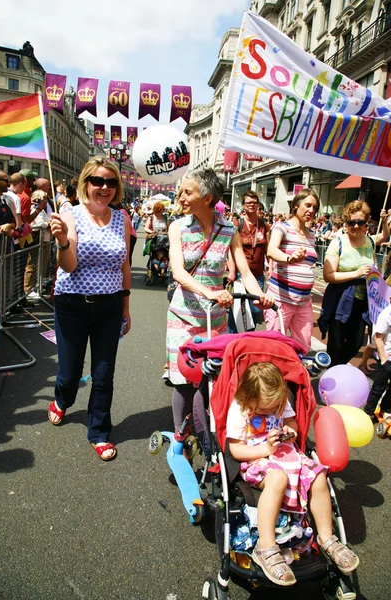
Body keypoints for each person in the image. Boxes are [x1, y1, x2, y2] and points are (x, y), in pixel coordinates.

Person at [227, 362, 359, 587]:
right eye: (263, 409)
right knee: (277, 478)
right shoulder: (239, 409)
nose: (270, 412)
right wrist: (266, 450)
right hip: (256, 457)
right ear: (246, 397)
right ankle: (266, 546)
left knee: (318, 475)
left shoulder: (280, 402)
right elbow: (236, 449)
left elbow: (290, 421)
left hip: (286, 452)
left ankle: (327, 537)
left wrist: (291, 429)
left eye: (274, 407)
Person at [166, 168, 273, 430]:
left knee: (211, 379)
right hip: (183, 317)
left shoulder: (228, 229)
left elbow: (245, 272)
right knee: (183, 380)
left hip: (215, 320)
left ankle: (206, 435)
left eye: (187, 192)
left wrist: (260, 296)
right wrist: (210, 292)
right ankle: (181, 435)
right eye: (182, 191)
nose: (181, 197)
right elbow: (178, 272)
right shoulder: (177, 227)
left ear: (207, 197)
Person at [48, 156, 131, 461]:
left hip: (109, 307)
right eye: (97, 180)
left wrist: (125, 306)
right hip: (73, 305)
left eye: (110, 182)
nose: (104, 187)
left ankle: (99, 431)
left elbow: (124, 264)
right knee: (69, 373)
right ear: (85, 184)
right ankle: (62, 399)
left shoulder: (121, 218)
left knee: (104, 374)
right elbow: (68, 267)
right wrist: (61, 242)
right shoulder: (71, 214)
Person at [320, 201, 389, 366]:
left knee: (356, 343)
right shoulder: (338, 243)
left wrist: (385, 221)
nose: (356, 226)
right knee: (336, 345)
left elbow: (384, 236)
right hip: (341, 300)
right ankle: (334, 376)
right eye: (351, 222)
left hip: (363, 302)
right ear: (346, 222)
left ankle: (338, 367)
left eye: (360, 222)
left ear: (367, 223)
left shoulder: (370, 242)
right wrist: (356, 274)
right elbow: (328, 276)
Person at [264, 188, 319, 354]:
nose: (311, 210)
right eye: (308, 205)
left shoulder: (311, 235)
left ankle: (294, 379)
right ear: (296, 205)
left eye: (314, 207)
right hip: (281, 300)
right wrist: (290, 258)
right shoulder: (282, 227)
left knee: (303, 347)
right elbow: (272, 250)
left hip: (303, 302)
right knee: (274, 348)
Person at [228, 190, 269, 333]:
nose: (252, 205)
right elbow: (230, 250)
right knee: (237, 309)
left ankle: (247, 338)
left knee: (256, 309)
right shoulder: (237, 223)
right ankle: (231, 337)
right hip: (240, 273)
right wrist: (232, 271)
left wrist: (270, 268)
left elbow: (267, 249)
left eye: (254, 202)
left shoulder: (263, 225)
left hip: (257, 274)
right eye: (248, 203)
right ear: (244, 206)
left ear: (258, 205)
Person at [363, 303, 391, 422]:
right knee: (378, 387)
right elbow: (378, 338)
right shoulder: (387, 314)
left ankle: (385, 409)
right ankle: (368, 411)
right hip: (387, 358)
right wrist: (383, 359)